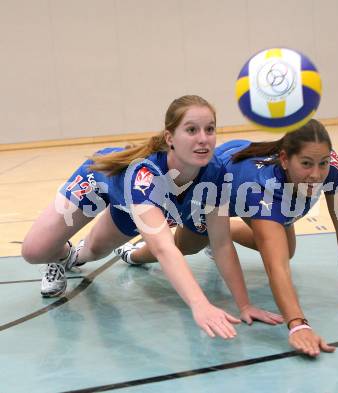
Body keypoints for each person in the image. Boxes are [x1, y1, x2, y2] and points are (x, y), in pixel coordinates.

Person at [118, 119, 338, 356]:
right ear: (285, 160)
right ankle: (135, 253)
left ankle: (218, 238)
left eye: (322, 164)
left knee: (288, 249)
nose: (316, 174)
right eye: (306, 164)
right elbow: (276, 268)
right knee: (185, 246)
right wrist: (298, 324)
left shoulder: (330, 167)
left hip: (255, 183)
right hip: (216, 187)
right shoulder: (262, 191)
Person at [21, 95, 282, 340]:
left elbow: (222, 243)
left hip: (130, 206)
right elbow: (163, 248)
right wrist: (200, 304)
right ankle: (56, 254)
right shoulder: (146, 174)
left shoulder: (215, 172)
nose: (203, 139)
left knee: (92, 252)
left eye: (210, 129)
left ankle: (69, 255)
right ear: (170, 137)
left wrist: (245, 304)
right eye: (191, 130)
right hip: (99, 181)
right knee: (34, 251)